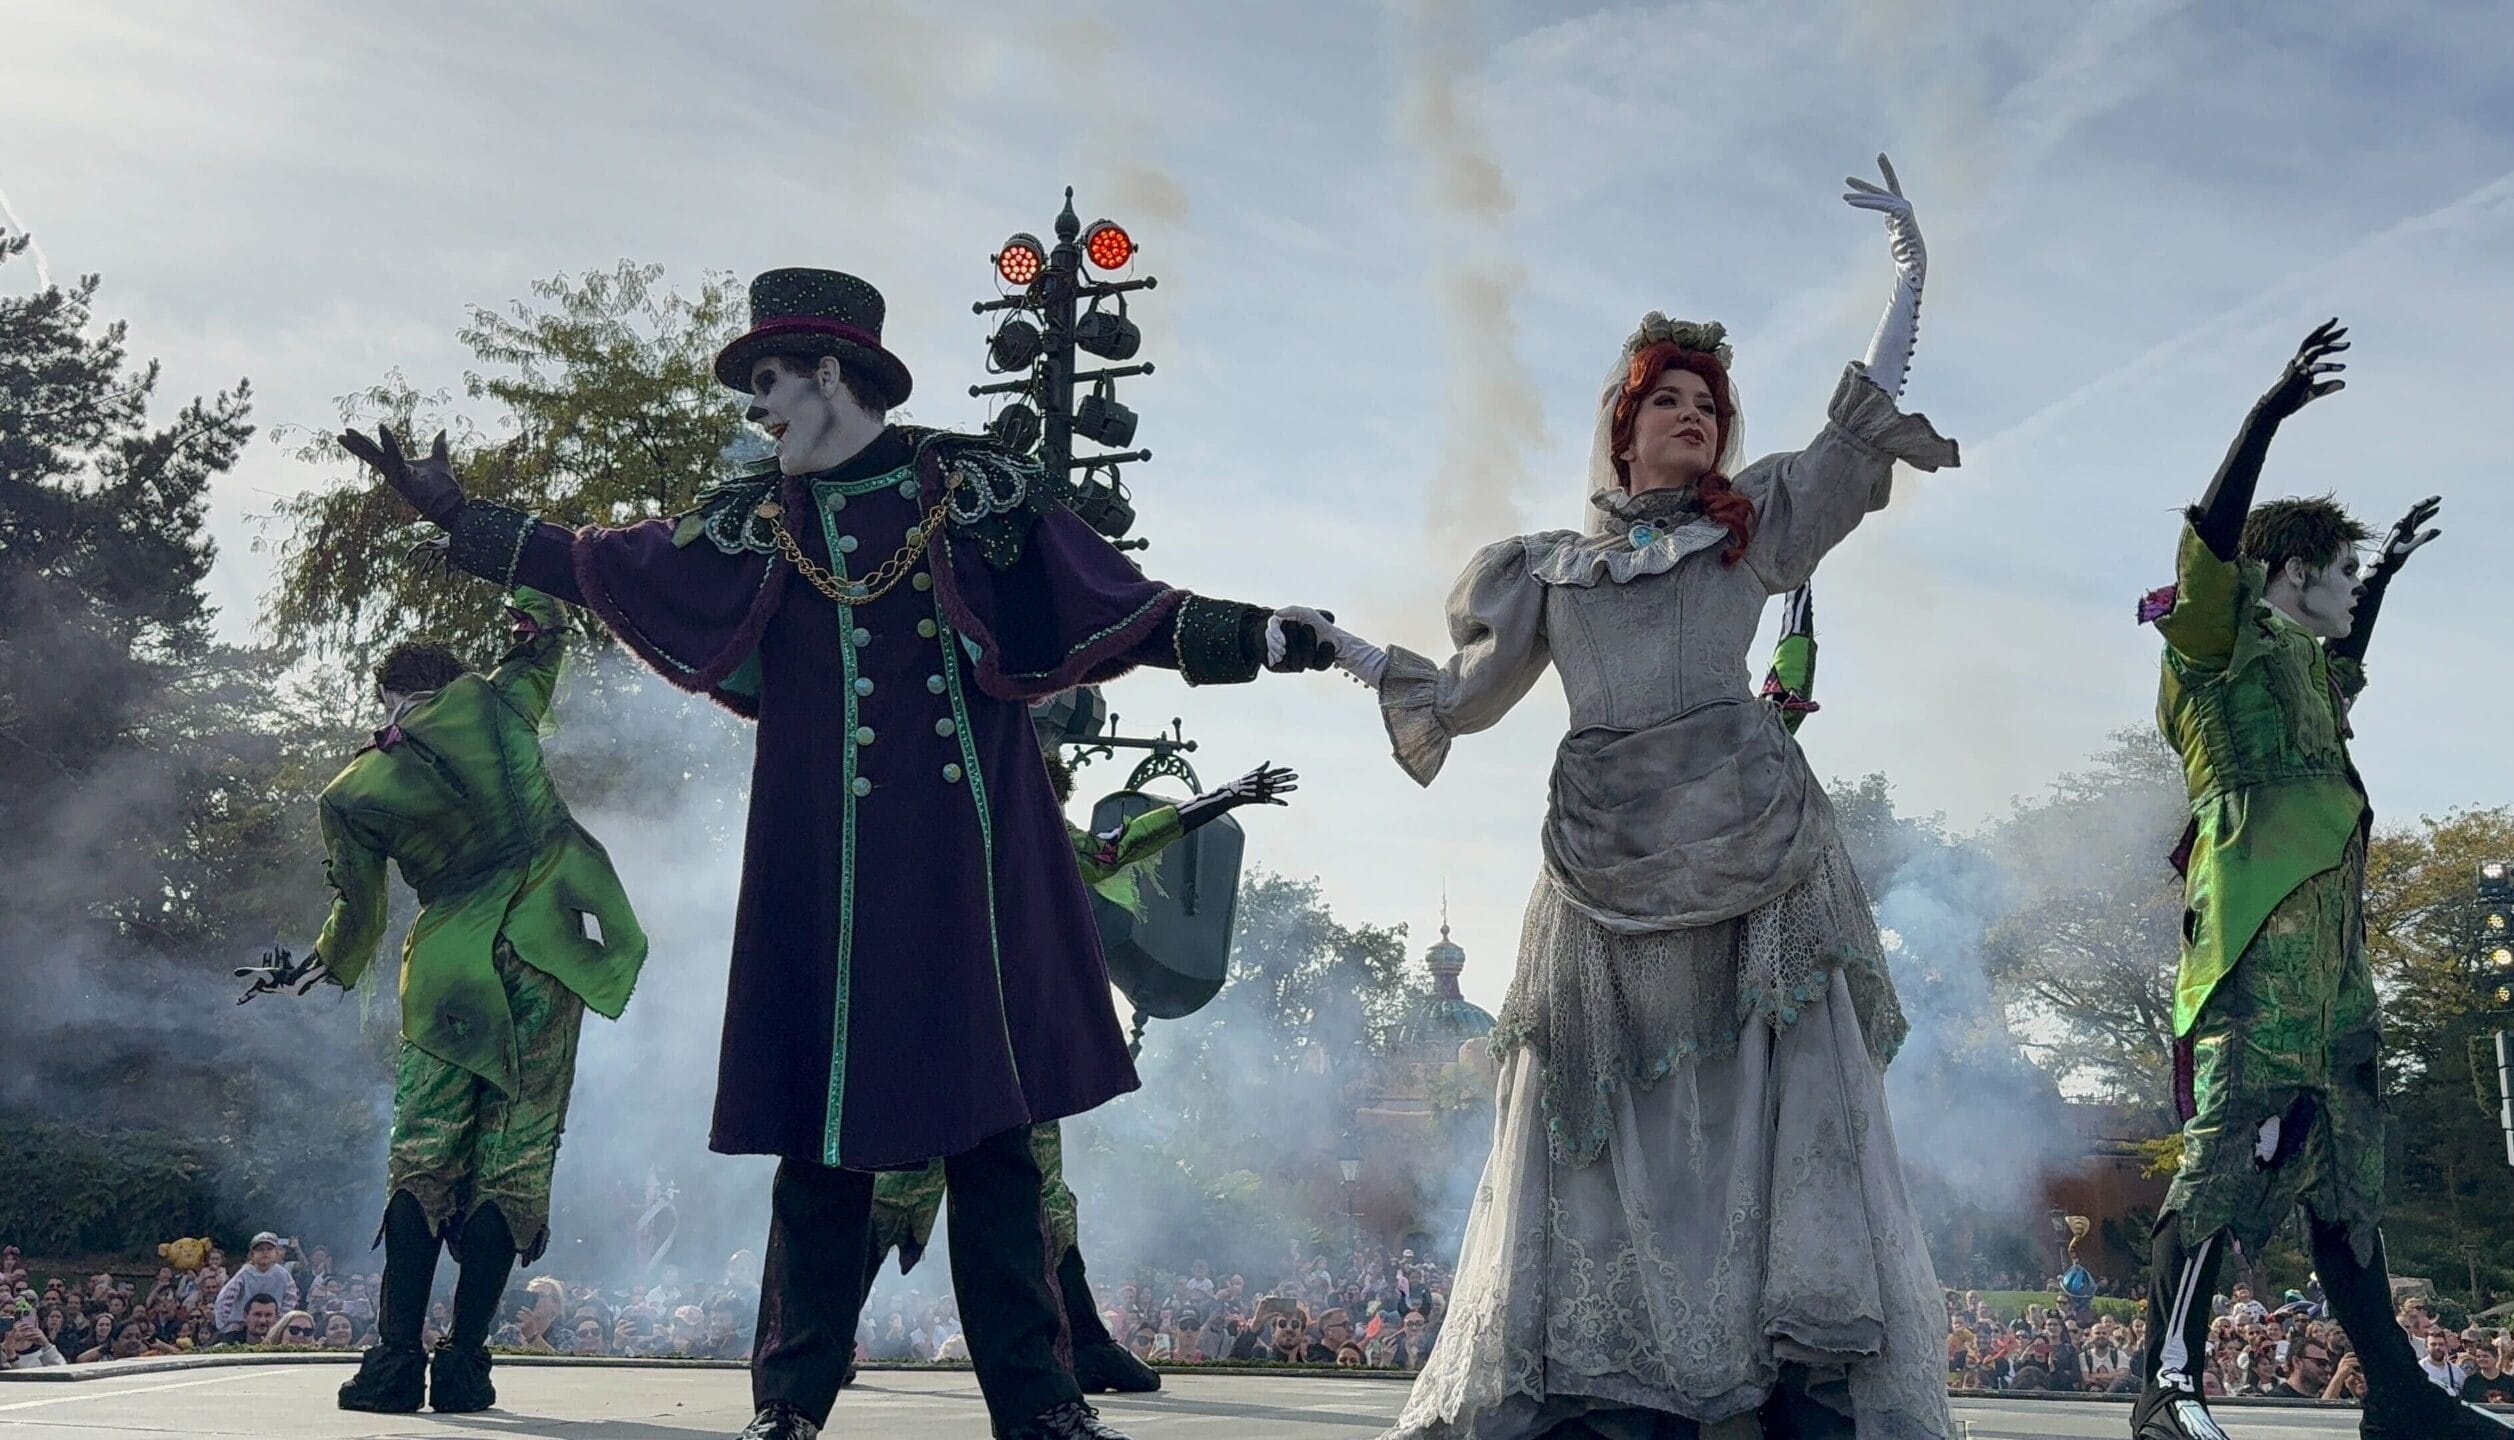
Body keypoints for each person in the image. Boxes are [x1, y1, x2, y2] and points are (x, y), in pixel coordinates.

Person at [339, 266, 1336, 1440]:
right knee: (823, 1149)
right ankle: (792, 1402)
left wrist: (1260, 635)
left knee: (997, 1147)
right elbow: (608, 562)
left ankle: (1041, 1404)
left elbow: (1116, 603)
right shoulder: (758, 519)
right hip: (830, 878)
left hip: (969, 873)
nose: (757, 409)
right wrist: (466, 521)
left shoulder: (975, 490)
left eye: (769, 380)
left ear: (831, 373)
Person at [1307, 156, 1957, 1440]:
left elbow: (1851, 427)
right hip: (1601, 869)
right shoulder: (1544, 570)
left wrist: (1910, 280)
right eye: (1669, 400)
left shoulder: (1751, 529)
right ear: (1620, 423)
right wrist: (1342, 649)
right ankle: (1620, 1381)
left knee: (1766, 1114)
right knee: (1606, 1128)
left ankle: (1785, 1377)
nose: (1695, 417)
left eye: (1709, 403)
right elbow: (1464, 698)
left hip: (1753, 848)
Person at [2132, 319, 2514, 1440]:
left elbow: (2346, 667)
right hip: (2255, 941)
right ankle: (2165, 1389)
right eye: (2344, 573)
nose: (2351, 591)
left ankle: (2399, 1399)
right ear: (2291, 573)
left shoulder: (2304, 668)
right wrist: (2266, 414)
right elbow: (2208, 545)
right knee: (2221, 1155)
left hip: (2337, 961)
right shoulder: (2211, 642)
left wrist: (2389, 574)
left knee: (2350, 1177)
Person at [249, 586, 648, 1418]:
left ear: (389, 696)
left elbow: (358, 914)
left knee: (424, 1157)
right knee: (516, 1160)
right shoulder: (499, 702)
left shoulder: (351, 791)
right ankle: (466, 1364)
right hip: (551, 952)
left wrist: (321, 963)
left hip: (450, 971)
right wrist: (505, 564)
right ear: (452, 677)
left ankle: (394, 1364)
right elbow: (546, 631)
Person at [855, 749, 1300, 1395]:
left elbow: (1115, 848)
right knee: (908, 1191)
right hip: (946, 1051)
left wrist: (1223, 797)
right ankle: (835, 1340)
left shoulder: (1030, 835)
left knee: (1037, 1202)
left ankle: (1085, 1345)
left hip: (1008, 1055)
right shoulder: (938, 834)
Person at [212, 1233, 301, 1333]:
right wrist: (225, 1325)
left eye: (269, 1249)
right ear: (252, 1254)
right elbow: (225, 1298)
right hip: (243, 1327)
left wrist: (280, 1321)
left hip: (272, 1327)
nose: (265, 1252)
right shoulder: (245, 1273)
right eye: (260, 1249)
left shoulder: (283, 1274)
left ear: (276, 1253)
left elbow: (291, 1299)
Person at [2462, 1340, 2514, 1407]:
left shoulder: (2512, 1382)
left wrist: (2502, 1405)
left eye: (2485, 1356)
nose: (2481, 1359)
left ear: (2496, 1358)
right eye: (2478, 1356)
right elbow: (2466, 1405)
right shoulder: (2471, 1381)